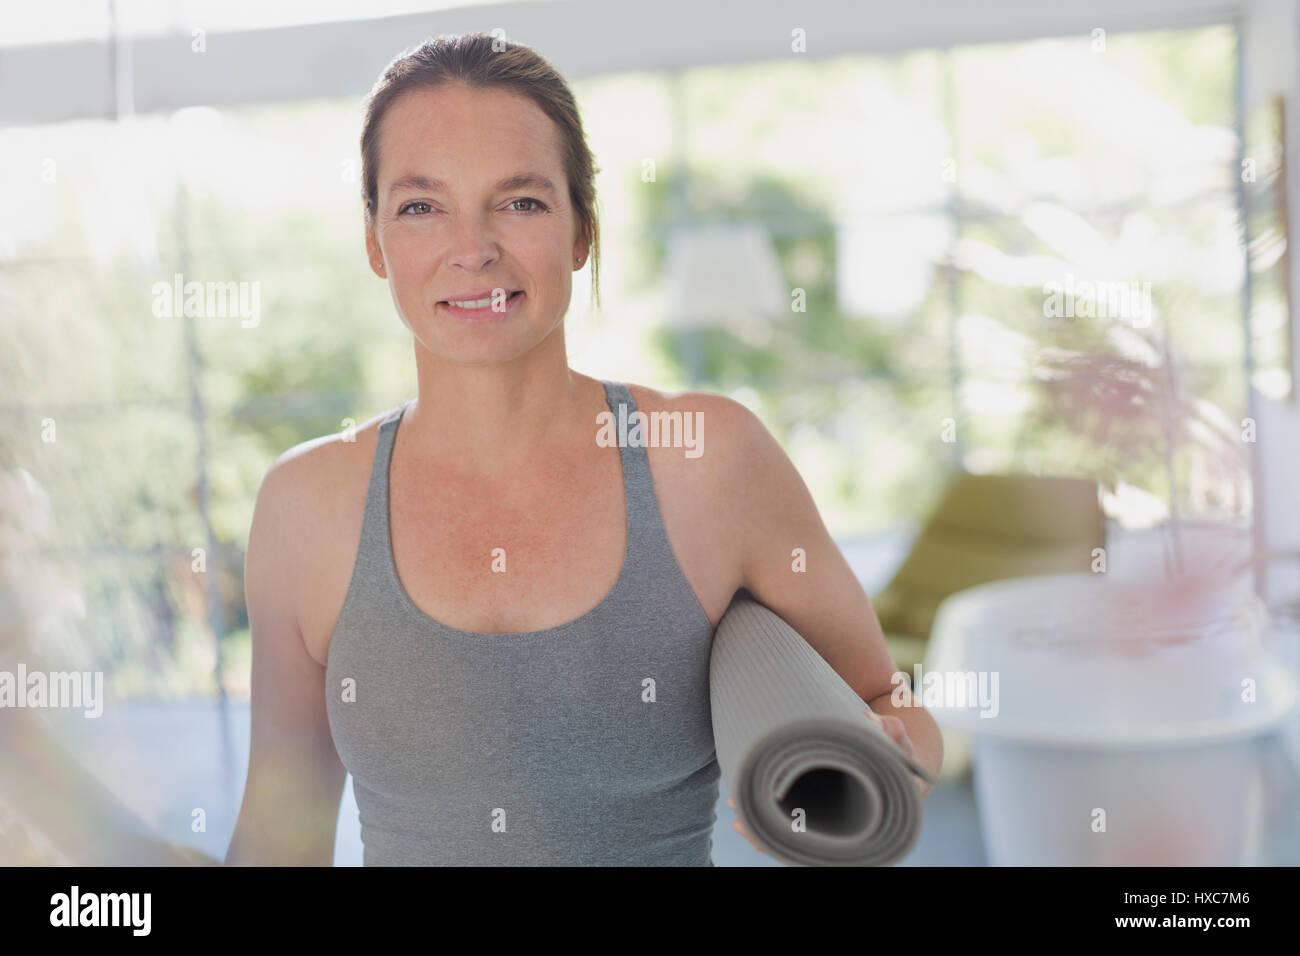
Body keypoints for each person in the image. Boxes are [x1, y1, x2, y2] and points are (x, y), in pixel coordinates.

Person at [225, 32, 940, 867]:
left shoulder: (706, 461)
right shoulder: (305, 506)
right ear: (376, 242)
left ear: (581, 233)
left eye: (520, 202)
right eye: (422, 206)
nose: (473, 247)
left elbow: (891, 703)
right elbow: (282, 835)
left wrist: (886, 761)